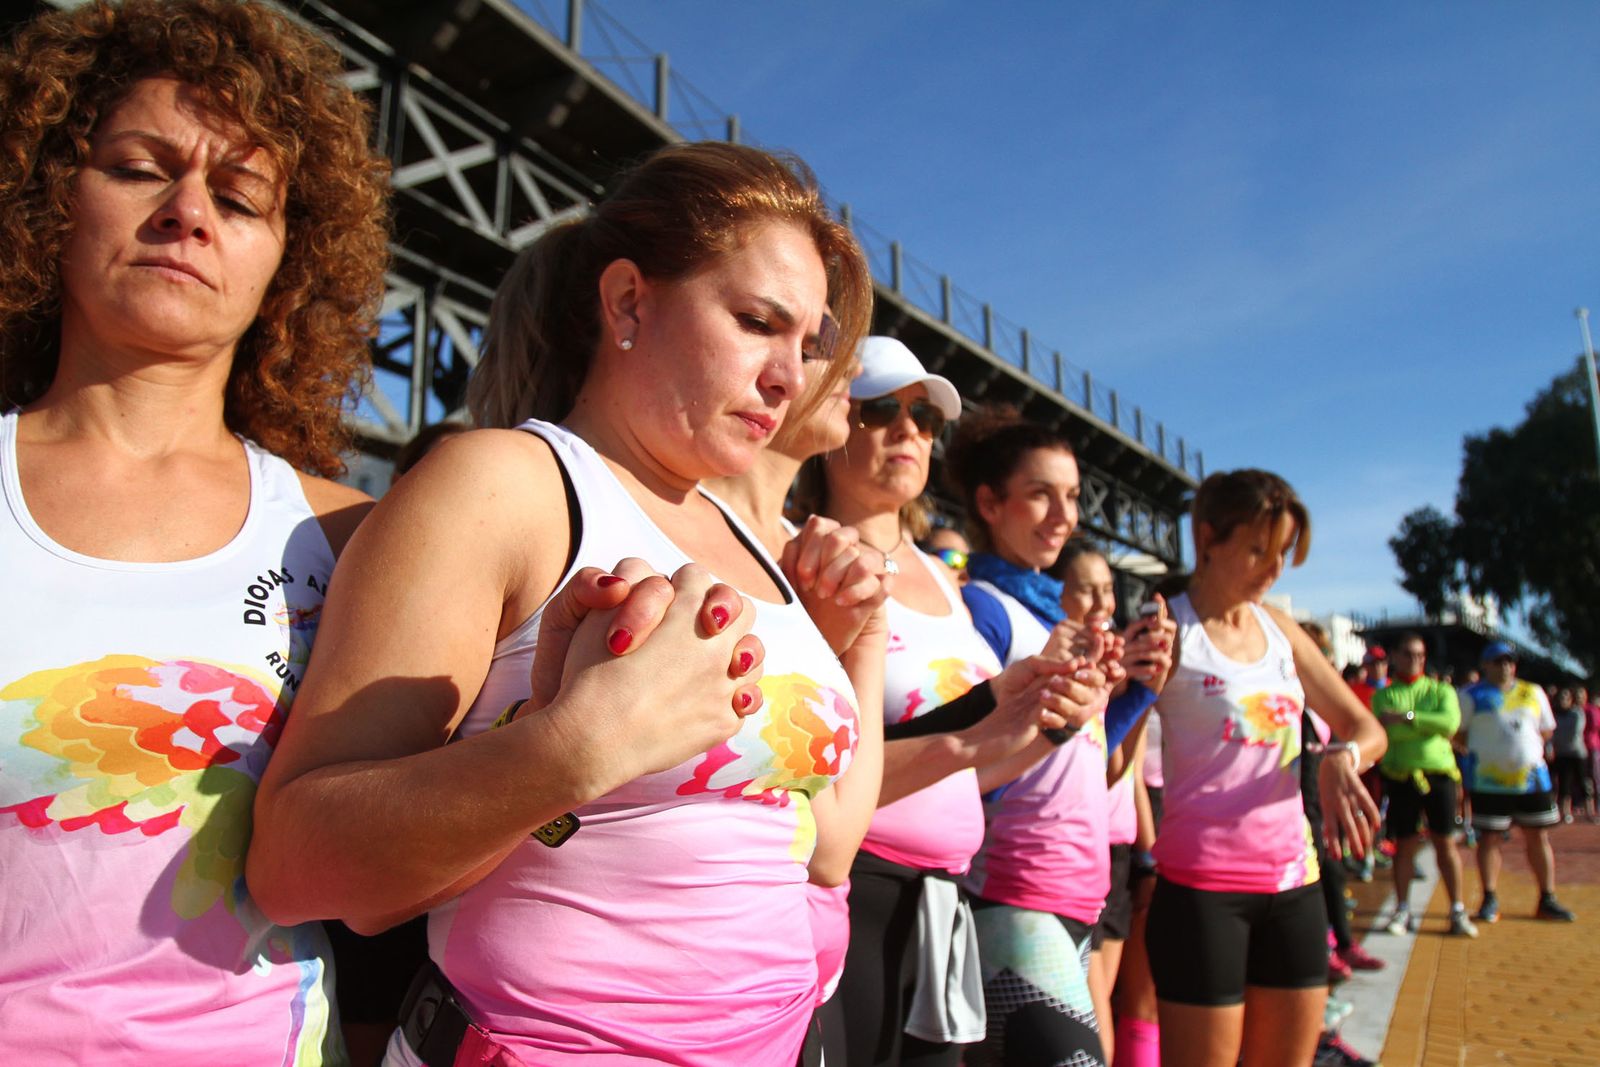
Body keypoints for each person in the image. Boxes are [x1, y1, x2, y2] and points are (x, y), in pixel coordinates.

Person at [249, 141, 887, 1066]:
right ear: (629, 300)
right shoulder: (504, 487)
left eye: (809, 342)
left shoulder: (749, 538)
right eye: (757, 322)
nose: (792, 375)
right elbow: (298, 864)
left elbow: (828, 845)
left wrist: (855, 641)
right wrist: (573, 743)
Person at [0, 1, 390, 1061]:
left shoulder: (355, 538)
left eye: (240, 195)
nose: (187, 213)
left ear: (287, 259)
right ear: (49, 195)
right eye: (139, 168)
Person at [815, 337, 1106, 1067]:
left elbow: (971, 774)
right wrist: (976, 736)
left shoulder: (944, 581)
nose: (909, 429)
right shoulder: (805, 556)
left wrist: (1059, 722)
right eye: (881, 408)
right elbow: (815, 778)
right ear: (827, 420)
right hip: (857, 891)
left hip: (944, 899)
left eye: (925, 416)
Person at [946, 408, 1172, 1067]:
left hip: (1077, 895)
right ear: (990, 502)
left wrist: (1137, 695)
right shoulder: (982, 607)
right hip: (1013, 894)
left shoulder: (1053, 612)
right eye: (1041, 493)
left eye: (1071, 495)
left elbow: (1081, 762)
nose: (1063, 515)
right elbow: (961, 765)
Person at [1144, 470, 1386, 1067]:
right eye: (1257, 549)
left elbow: (1366, 728)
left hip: (1295, 887)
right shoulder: (1168, 628)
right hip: (1202, 895)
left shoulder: (1280, 628)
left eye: (1282, 553)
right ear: (1207, 537)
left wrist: (1341, 756)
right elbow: (1113, 754)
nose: (1272, 569)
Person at [1461, 642, 1576, 923]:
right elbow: (1459, 733)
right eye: (1497, 661)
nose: (1505, 666)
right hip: (1488, 782)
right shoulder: (1469, 695)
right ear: (1485, 664)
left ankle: (1547, 897)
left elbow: (1546, 730)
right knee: (1489, 839)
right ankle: (1489, 897)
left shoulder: (1532, 692)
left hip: (1532, 781)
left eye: (1509, 661)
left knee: (1538, 836)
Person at [1372, 634, 1475, 938]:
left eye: (1420, 654)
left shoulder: (1441, 689)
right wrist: (1423, 725)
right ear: (1395, 656)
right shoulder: (1385, 695)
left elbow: (1449, 725)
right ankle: (1402, 909)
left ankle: (1456, 908)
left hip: (1438, 775)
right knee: (1404, 844)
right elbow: (1388, 730)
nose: (1415, 660)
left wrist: (1408, 717)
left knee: (1446, 843)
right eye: (1407, 654)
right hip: (1401, 775)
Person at [1550, 687, 1589, 824]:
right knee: (1564, 784)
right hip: (1562, 753)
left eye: (1566, 698)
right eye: (1560, 698)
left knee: (1583, 782)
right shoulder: (1556, 715)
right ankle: (1565, 813)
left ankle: (1590, 812)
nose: (1563, 701)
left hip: (1577, 753)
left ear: (1571, 700)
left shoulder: (1577, 713)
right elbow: (1552, 732)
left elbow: (1575, 732)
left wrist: (1559, 739)